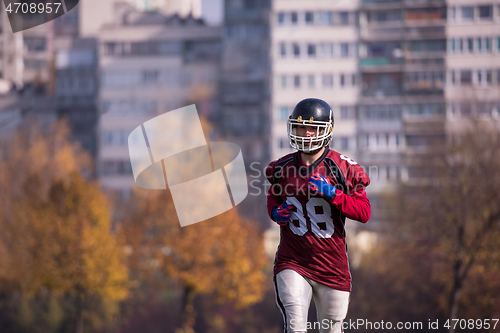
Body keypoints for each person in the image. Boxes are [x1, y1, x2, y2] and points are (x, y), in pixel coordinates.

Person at [265, 98, 371, 333]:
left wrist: (333, 194)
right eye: (302, 127)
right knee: (295, 327)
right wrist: (274, 211)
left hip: (332, 266)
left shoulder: (343, 169)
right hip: (292, 260)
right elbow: (274, 195)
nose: (307, 133)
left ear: (327, 130)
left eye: (313, 128)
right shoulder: (281, 168)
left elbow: (364, 212)